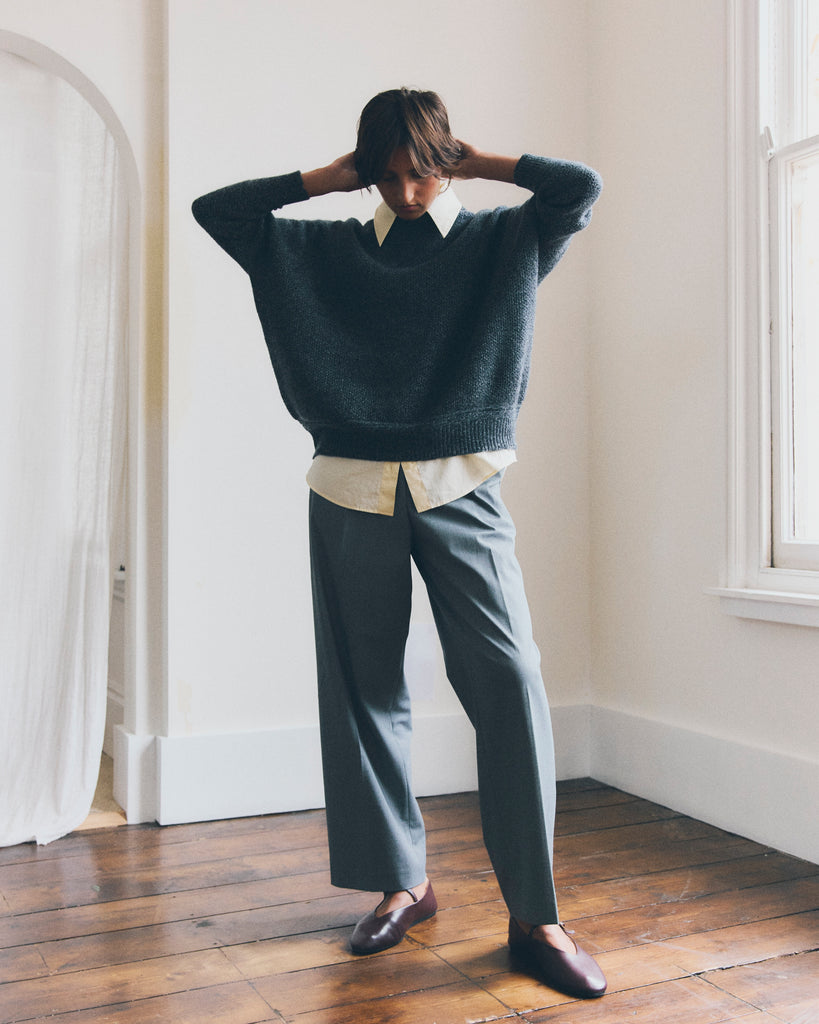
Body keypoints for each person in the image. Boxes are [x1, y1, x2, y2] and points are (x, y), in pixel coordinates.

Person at [192, 87, 605, 1000]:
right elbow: (215, 210)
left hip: (465, 486)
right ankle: (403, 884)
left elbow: (578, 187)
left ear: (444, 159)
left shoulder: (506, 241)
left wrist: (472, 160)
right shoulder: (319, 249)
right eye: (386, 176)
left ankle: (536, 915)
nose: (406, 191)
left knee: (509, 684)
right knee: (362, 692)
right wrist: (327, 179)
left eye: (419, 171)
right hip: (348, 487)